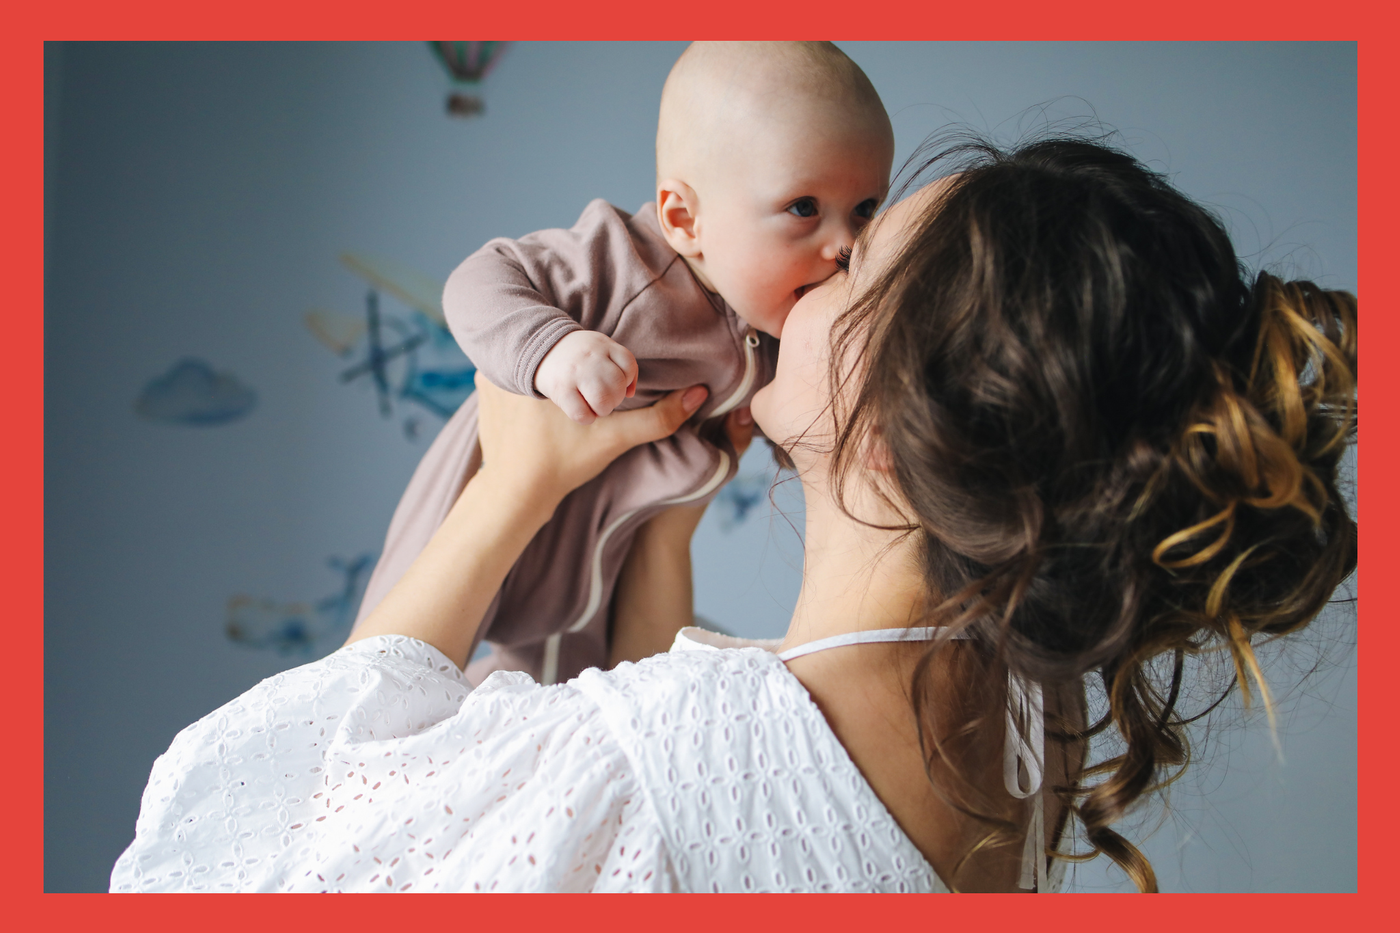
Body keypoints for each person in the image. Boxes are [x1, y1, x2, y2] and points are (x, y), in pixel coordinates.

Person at [110, 135, 1356, 893]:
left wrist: (509, 487)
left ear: (883, 425)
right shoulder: (1028, 719)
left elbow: (241, 854)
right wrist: (663, 522)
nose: (809, 269)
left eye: (855, 265)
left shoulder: (653, 763)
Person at [351, 41, 895, 687]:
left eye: (865, 209)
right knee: (396, 673)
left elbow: (801, 428)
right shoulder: (624, 263)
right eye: (803, 208)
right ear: (684, 219)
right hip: (491, 494)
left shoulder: (780, 319)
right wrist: (552, 347)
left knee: (569, 689)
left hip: (607, 548)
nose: (845, 246)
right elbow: (481, 278)